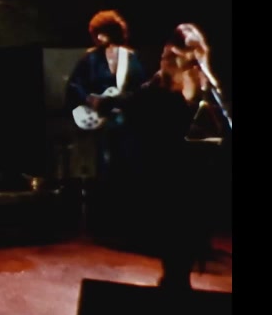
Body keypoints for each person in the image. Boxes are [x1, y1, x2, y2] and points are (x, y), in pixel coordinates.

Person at [87, 23, 221, 289]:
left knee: (188, 241)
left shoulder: (205, 88)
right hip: (165, 173)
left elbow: (215, 129)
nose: (169, 58)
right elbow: (132, 102)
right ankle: (173, 287)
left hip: (196, 175)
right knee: (173, 245)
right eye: (168, 54)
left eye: (178, 53)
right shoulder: (159, 84)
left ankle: (177, 286)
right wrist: (101, 102)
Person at [64, 9, 147, 234]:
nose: (100, 37)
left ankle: (126, 221)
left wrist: (124, 100)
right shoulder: (90, 59)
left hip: (126, 119)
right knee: (104, 167)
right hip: (102, 121)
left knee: (128, 164)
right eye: (97, 33)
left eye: (104, 32)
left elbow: (141, 89)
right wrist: (89, 99)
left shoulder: (131, 58)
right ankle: (103, 222)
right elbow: (73, 86)